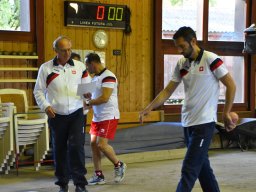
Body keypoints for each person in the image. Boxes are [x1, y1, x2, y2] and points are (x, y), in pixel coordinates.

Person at [139, 26, 236, 192]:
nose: (179, 50)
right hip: (187, 123)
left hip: (204, 124)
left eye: (182, 46)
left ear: (193, 41)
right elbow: (168, 90)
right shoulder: (182, 63)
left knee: (189, 169)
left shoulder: (210, 59)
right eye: (177, 47)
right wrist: (150, 107)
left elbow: (231, 85)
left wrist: (226, 112)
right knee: (203, 169)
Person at [34, 36, 91, 192]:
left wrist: (88, 94)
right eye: (63, 50)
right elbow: (38, 91)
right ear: (56, 50)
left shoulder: (80, 67)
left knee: (76, 147)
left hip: (76, 113)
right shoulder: (46, 68)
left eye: (69, 49)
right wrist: (45, 106)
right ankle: (62, 184)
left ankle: (80, 184)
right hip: (56, 115)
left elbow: (87, 88)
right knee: (59, 149)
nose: (67, 53)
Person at [83, 53, 127, 185]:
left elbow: (104, 98)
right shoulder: (95, 77)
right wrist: (85, 97)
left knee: (101, 145)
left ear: (92, 64)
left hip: (109, 115)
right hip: (98, 116)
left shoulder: (108, 76)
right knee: (93, 144)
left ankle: (119, 165)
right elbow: (89, 95)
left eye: (87, 65)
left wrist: (89, 103)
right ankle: (99, 175)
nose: (86, 68)